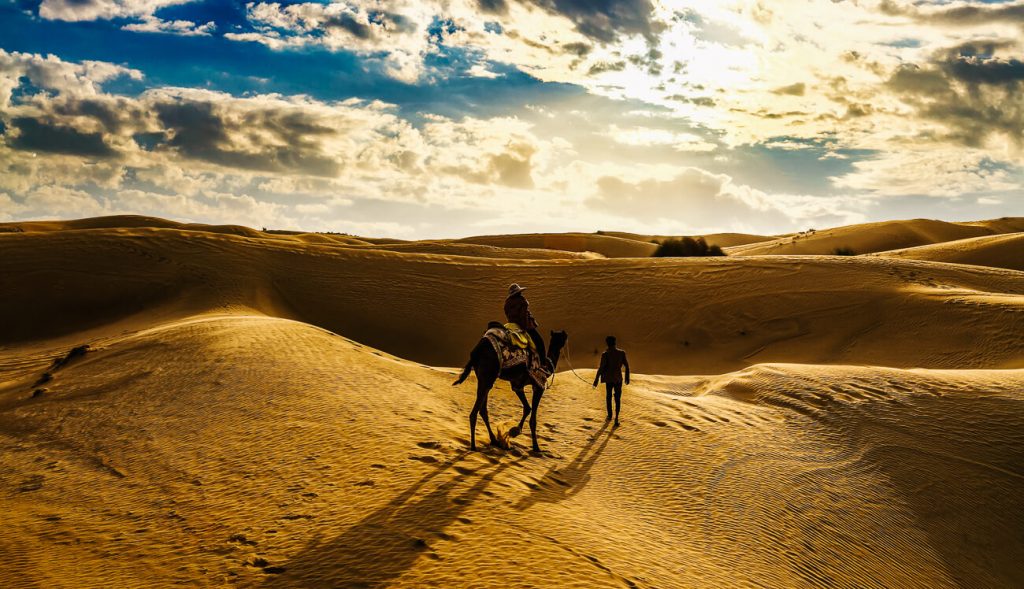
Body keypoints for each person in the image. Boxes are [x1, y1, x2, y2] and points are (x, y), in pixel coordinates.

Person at [503, 283, 551, 372]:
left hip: (510, 325)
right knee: (539, 342)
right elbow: (523, 317)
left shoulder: (507, 302)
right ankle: (543, 365)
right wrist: (526, 328)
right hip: (523, 326)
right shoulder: (522, 301)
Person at [593, 335, 629, 426]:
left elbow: (601, 368)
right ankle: (616, 418)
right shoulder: (622, 353)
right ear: (615, 343)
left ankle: (609, 416)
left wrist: (596, 380)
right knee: (617, 398)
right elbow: (627, 366)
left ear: (607, 343)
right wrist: (627, 377)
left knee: (609, 397)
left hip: (609, 379)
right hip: (618, 379)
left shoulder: (605, 354)